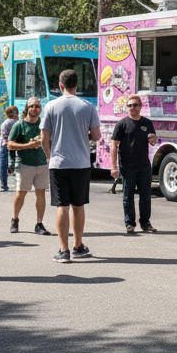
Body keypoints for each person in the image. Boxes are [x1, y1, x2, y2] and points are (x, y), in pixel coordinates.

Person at [41, 69, 101, 263]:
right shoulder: (88, 106)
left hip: (58, 162)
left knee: (62, 205)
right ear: (77, 85)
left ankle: (63, 250)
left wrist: (49, 156)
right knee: (78, 205)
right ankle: (78, 245)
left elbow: (44, 137)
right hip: (81, 162)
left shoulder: (51, 106)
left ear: (60, 85)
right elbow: (97, 136)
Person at [110, 94, 158, 234]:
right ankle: (130, 223)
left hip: (143, 165)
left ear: (140, 106)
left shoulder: (147, 123)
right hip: (127, 166)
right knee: (128, 196)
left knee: (145, 195)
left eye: (135, 105)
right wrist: (114, 167)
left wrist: (153, 139)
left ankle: (145, 223)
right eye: (129, 105)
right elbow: (114, 146)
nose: (132, 108)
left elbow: (153, 142)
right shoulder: (122, 124)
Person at [7, 97, 51, 235]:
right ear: (27, 108)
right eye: (32, 106)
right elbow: (10, 145)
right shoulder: (19, 125)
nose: (35, 108)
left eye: (37, 106)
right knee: (21, 194)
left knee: (41, 194)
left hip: (42, 164)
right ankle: (15, 219)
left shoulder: (44, 125)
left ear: (40, 109)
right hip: (24, 164)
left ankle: (39, 224)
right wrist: (28, 145)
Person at [0, 105, 20, 191]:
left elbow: (3, 135)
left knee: (3, 165)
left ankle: (4, 184)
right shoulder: (18, 122)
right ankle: (19, 182)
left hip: (3, 145)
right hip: (14, 144)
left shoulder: (6, 122)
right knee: (14, 162)